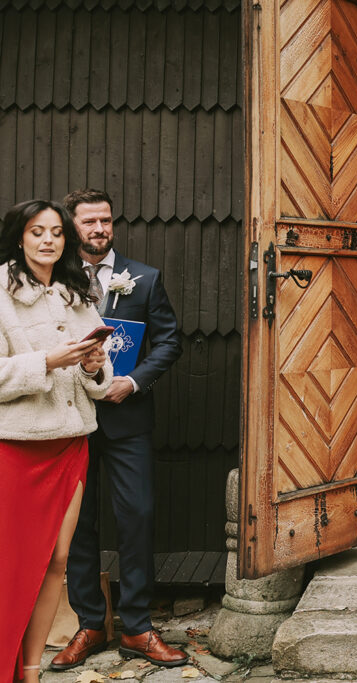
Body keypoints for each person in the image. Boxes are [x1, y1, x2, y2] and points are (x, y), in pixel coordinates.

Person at [52, 190, 185, 669]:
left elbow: (169, 341)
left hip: (128, 419)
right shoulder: (53, 280)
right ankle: (90, 624)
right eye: (89, 221)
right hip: (71, 420)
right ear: (72, 226)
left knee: (137, 517)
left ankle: (137, 627)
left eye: (105, 220)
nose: (99, 229)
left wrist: (134, 381)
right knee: (78, 525)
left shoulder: (144, 277)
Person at [0, 200, 112, 681]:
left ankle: (30, 671)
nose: (48, 240)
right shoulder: (0, 292)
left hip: (71, 445)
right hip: (18, 449)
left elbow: (100, 382)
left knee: (56, 560)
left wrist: (92, 366)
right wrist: (46, 361)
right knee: (13, 565)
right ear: (19, 237)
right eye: (36, 231)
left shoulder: (77, 294)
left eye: (56, 232)